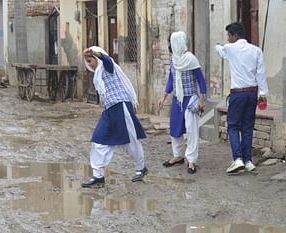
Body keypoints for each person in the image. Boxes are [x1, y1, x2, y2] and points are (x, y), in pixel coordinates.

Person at [81, 46, 148, 188]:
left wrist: (96, 54)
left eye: (91, 60)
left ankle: (141, 168)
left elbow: (107, 60)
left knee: (130, 141)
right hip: (109, 110)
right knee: (98, 140)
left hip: (121, 106)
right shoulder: (97, 74)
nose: (90, 64)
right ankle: (98, 177)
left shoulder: (107, 67)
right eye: (88, 62)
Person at [215, 22, 268, 173]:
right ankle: (248, 160)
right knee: (247, 127)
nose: (228, 38)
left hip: (238, 93)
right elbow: (260, 73)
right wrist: (262, 94)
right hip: (252, 92)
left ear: (234, 35)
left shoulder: (230, 48)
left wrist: (218, 45)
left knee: (232, 126)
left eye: (229, 36)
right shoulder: (256, 50)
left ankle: (237, 159)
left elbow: (219, 49)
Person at [158, 31, 206, 174]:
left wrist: (202, 101)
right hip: (177, 99)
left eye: (171, 43)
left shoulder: (191, 59)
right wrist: (164, 96)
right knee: (175, 128)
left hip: (190, 98)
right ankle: (178, 155)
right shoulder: (173, 59)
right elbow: (171, 79)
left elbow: (201, 81)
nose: (169, 46)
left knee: (191, 130)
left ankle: (191, 160)